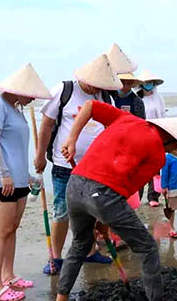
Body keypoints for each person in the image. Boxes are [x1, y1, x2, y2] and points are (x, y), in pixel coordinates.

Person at [50, 99, 177, 301]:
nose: (171, 150)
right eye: (173, 147)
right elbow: (126, 189)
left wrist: (71, 139)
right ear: (170, 139)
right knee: (147, 247)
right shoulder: (158, 156)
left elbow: (90, 106)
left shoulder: (126, 118)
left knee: (79, 244)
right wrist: (106, 217)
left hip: (75, 184)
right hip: (104, 194)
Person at [34, 54, 123, 274]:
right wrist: (38, 155)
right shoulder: (64, 91)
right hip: (65, 164)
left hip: (95, 166)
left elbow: (110, 130)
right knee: (62, 211)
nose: (96, 89)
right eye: (94, 84)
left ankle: (90, 251)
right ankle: (56, 258)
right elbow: (46, 125)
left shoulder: (105, 98)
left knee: (92, 212)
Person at [0, 64, 52, 301]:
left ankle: (8, 276)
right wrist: (4, 174)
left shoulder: (17, 109)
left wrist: (29, 178)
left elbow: (15, 149)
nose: (33, 98)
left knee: (12, 228)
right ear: (19, 89)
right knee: (1, 231)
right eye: (31, 93)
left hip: (19, 180)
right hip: (0, 181)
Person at [137, 69, 166, 207]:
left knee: (155, 168)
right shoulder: (137, 99)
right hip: (140, 137)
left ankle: (154, 196)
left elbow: (162, 117)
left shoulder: (158, 99)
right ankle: (137, 195)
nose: (148, 85)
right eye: (146, 83)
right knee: (139, 167)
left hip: (155, 135)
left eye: (150, 82)